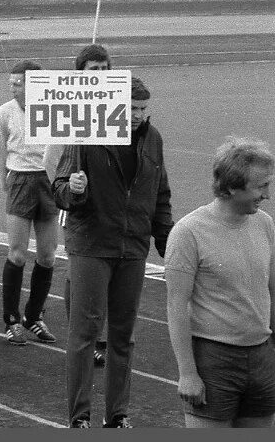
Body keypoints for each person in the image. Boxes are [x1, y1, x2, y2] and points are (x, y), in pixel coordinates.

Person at [54, 77, 173, 428]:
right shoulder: (85, 134)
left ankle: (117, 415)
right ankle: (79, 417)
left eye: (142, 109)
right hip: (91, 245)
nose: (137, 115)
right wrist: (73, 190)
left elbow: (160, 195)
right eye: (131, 108)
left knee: (123, 336)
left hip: (133, 248)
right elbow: (59, 189)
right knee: (84, 334)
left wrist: (166, 243)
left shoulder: (153, 139)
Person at [166, 137, 275, 428]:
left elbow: (271, 291)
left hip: (262, 357)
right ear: (230, 187)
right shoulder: (188, 232)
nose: (267, 194)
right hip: (214, 360)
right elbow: (176, 306)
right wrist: (187, 373)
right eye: (261, 186)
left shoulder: (265, 224)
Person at [43, 43, 112, 366]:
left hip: (110, 205)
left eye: (103, 69)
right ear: (80, 74)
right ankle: (79, 331)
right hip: (78, 204)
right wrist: (68, 186)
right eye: (92, 70)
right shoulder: (69, 109)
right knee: (77, 269)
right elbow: (51, 160)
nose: (99, 75)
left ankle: (99, 332)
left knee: (108, 267)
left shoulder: (117, 106)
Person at [0, 59, 58, 345]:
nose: (13, 88)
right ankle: (12, 319)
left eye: (19, 83)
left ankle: (34, 316)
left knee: (47, 255)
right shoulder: (5, 112)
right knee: (17, 253)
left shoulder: (53, 108)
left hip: (48, 181)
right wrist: (5, 180)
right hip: (20, 180)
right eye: (12, 83)